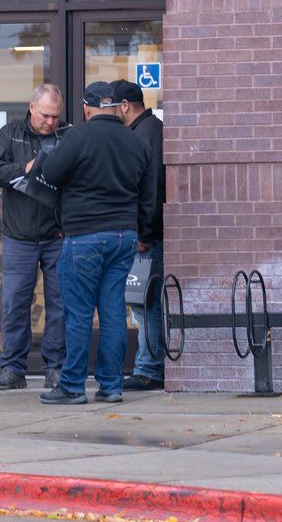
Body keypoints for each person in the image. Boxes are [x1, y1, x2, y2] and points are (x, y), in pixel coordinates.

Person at [37, 81, 156, 404]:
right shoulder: (136, 141)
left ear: (86, 108)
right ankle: (111, 385)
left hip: (85, 236)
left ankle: (73, 386)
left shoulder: (77, 136)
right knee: (114, 311)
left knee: (77, 313)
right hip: (124, 237)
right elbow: (149, 195)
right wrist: (141, 231)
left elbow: (52, 171)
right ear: (118, 107)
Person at [0, 84, 68, 391]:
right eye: (46, 115)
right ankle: (12, 369)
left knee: (60, 304)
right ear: (32, 107)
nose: (51, 122)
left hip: (57, 235)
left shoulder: (66, 136)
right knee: (15, 303)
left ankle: (56, 368)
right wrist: (26, 168)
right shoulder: (10, 134)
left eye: (56, 117)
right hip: (19, 236)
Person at [112, 79, 166, 392]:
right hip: (144, 234)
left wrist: (143, 232)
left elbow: (153, 187)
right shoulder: (145, 131)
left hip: (147, 237)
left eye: (113, 107)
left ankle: (149, 369)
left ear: (124, 106)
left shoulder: (147, 133)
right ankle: (148, 366)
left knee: (146, 304)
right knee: (142, 304)